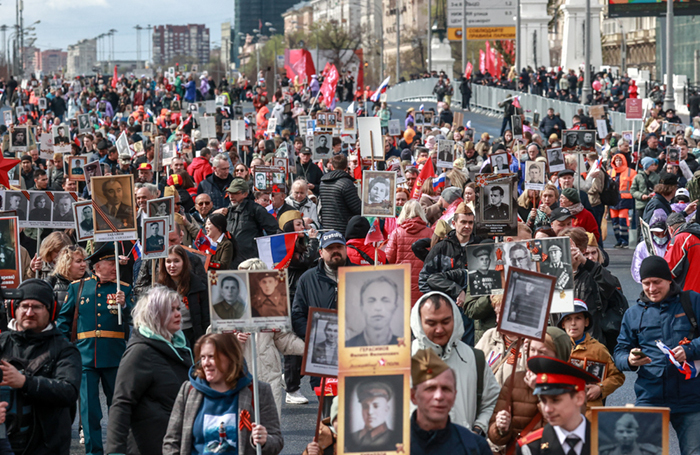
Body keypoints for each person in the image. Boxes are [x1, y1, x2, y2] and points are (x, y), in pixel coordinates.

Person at [614, 256, 700, 455]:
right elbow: (619, 352)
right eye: (646, 283)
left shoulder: (692, 301)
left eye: (657, 282)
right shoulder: (633, 313)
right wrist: (630, 360)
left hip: (691, 398)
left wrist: (690, 350)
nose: (652, 288)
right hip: (650, 397)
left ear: (669, 280)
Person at [56, 243, 133, 455]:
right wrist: (61, 350)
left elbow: (138, 319)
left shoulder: (124, 289)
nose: (115, 268)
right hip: (85, 357)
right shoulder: (77, 287)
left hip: (115, 356)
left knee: (117, 408)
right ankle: (93, 452)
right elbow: (63, 321)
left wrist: (125, 306)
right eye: (110, 264)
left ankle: (118, 450)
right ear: (98, 266)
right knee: (89, 411)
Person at [105, 286, 193, 455]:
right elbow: (121, 404)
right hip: (148, 446)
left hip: (176, 444)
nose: (178, 314)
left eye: (177, 309)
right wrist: (115, 451)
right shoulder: (140, 352)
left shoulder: (181, 345)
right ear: (155, 314)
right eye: (171, 310)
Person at [162, 333, 283, 455]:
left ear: (230, 358)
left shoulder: (258, 391)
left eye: (212, 357)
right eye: (203, 357)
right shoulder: (188, 391)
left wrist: (264, 441)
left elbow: (276, 442)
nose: (206, 363)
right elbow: (171, 442)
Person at [0, 279, 81, 455]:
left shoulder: (65, 350)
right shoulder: (2, 343)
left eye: (37, 307)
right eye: (24, 306)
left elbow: (69, 391)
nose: (29, 312)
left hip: (47, 446)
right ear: (15, 309)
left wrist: (25, 382)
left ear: (50, 311)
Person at [411, 291, 500, 433]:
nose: (439, 329)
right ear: (419, 322)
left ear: (455, 319)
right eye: (431, 323)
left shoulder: (473, 358)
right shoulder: (404, 361)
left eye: (446, 322)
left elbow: (492, 400)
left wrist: (478, 428)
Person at [487, 327, 572, 453]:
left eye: (542, 352)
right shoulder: (515, 380)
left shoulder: (570, 387)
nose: (535, 356)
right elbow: (496, 438)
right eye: (532, 350)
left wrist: (541, 392)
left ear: (558, 356)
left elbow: (563, 431)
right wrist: (500, 428)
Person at [516, 356, 599, 455]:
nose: (547, 409)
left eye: (555, 400)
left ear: (579, 398)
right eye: (543, 400)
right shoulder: (531, 447)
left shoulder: (609, 443)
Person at [557, 300, 624, 418]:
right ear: (562, 324)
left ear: (586, 322)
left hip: (590, 413)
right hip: (562, 411)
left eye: (578, 318)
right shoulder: (555, 348)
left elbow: (617, 376)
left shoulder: (598, 349)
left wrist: (600, 388)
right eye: (568, 319)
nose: (573, 323)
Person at [219, 179, 279, 268]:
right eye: (229, 193)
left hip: (250, 261)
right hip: (231, 260)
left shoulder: (256, 209)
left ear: (245, 194)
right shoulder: (227, 211)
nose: (231, 196)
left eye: (235, 193)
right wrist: (215, 215)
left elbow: (274, 231)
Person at [157, 245, 210, 347]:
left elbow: (205, 317)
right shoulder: (159, 287)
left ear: (184, 262)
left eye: (176, 261)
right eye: (168, 261)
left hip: (192, 337)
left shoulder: (197, 285)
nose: (172, 265)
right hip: (168, 337)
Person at [385, 200, 435, 305]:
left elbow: (388, 260)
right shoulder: (430, 233)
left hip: (401, 283)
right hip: (424, 284)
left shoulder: (396, 233)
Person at [346, 380, 402, 452]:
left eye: (376, 406)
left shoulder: (396, 439)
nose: (370, 412)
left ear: (386, 409)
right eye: (365, 406)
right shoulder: (352, 438)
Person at [346, 276, 400, 347]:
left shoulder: (405, 347)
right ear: (362, 306)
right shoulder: (348, 346)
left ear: (395, 307)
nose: (378, 307)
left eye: (385, 300)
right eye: (371, 300)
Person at [319, 154, 362, 235]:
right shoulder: (346, 183)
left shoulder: (323, 183)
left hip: (327, 229)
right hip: (343, 229)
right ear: (346, 167)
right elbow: (357, 208)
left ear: (332, 167)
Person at [664, 211, 700, 293]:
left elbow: (670, 270)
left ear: (670, 229)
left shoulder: (681, 238)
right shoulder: (695, 235)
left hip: (687, 291)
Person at [46, 244, 88, 312]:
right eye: (78, 261)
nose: (83, 264)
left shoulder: (90, 283)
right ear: (67, 263)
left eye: (84, 261)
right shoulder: (51, 282)